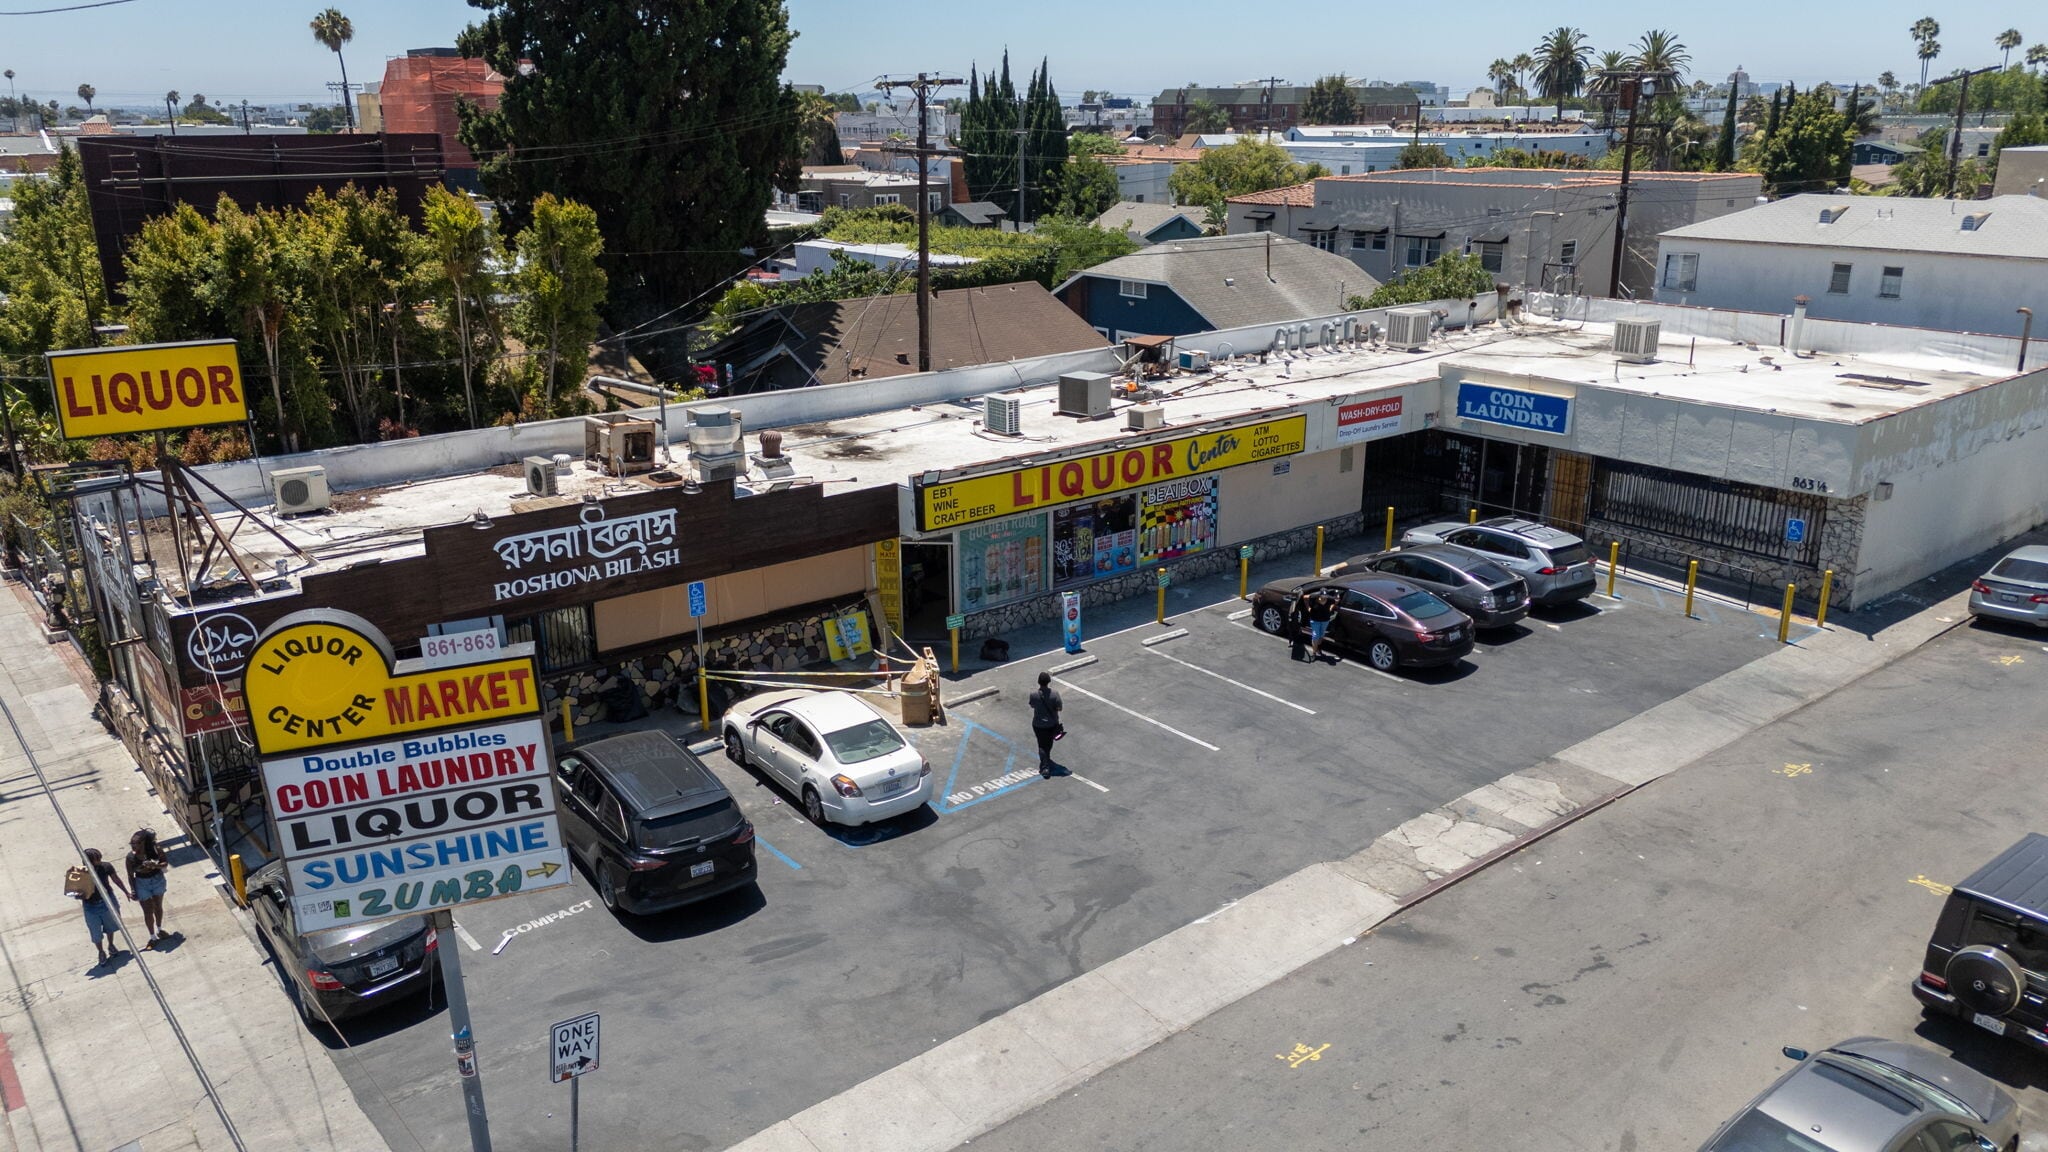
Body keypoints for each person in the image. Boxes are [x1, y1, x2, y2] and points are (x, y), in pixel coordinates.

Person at [71, 848, 131, 967]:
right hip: (90, 906)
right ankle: (101, 951)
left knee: (110, 926)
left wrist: (126, 891)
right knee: (95, 931)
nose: (99, 861)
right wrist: (80, 894)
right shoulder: (78, 873)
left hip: (107, 900)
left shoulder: (106, 866)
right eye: (96, 860)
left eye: (99, 858)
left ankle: (111, 945)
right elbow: (74, 893)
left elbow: (116, 880)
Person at [126, 828, 171, 946]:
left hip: (157, 880)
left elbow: (165, 863)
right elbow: (130, 875)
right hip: (141, 882)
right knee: (147, 911)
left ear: (143, 843)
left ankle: (160, 929)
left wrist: (154, 866)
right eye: (132, 844)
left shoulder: (156, 850)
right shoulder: (130, 857)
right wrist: (133, 890)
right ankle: (152, 936)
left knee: (158, 906)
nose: (133, 846)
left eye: (136, 843)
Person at [1029, 671, 1064, 777]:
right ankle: (1045, 766)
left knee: (1042, 744)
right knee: (1047, 745)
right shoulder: (1055, 694)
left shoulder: (1034, 694)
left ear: (1039, 682)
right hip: (1051, 724)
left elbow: (1032, 705)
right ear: (1048, 682)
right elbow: (1060, 708)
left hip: (1038, 724)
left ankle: (1045, 762)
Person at [1305, 587, 1339, 662]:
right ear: (1319, 595)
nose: (1324, 597)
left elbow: (1336, 600)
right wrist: (1308, 608)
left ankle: (1318, 648)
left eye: (1325, 596)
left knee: (1321, 635)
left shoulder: (1330, 599)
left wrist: (1331, 608)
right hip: (1315, 620)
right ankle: (1314, 653)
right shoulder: (1314, 597)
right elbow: (1305, 597)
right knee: (1315, 636)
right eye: (1323, 596)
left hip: (1325, 620)